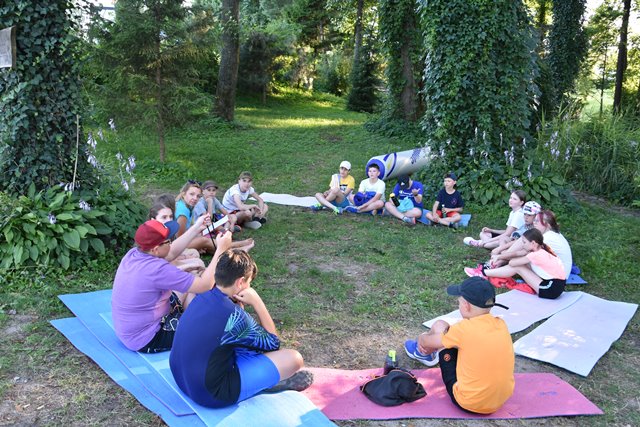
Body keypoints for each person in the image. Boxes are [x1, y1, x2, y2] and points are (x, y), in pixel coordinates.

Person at [170, 249, 313, 408]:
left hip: (181, 379)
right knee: (293, 358)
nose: (249, 287)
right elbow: (273, 344)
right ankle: (263, 384)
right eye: (249, 282)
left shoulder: (200, 296)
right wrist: (257, 302)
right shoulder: (235, 316)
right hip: (210, 394)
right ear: (240, 282)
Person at [111, 216, 233, 353]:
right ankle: (197, 322)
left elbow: (172, 252)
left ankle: (194, 318)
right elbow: (205, 285)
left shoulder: (134, 253)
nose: (171, 243)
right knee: (214, 328)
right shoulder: (157, 270)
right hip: (147, 337)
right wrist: (221, 250)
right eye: (169, 241)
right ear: (155, 249)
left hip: (131, 327)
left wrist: (196, 227)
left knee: (189, 291)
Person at [404, 277, 514, 414]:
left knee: (440, 328)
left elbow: (427, 341)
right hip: (499, 401)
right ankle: (426, 353)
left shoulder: (463, 329)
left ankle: (423, 354)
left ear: (466, 305)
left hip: (468, 402)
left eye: (459, 303)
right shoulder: (501, 324)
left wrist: (421, 338)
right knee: (447, 335)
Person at [466, 229, 567, 299]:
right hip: (555, 284)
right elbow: (518, 253)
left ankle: (483, 273)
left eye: (524, 242)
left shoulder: (536, 255)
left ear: (533, 243)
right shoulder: (539, 249)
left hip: (550, 289)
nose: (523, 245)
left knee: (518, 267)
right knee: (522, 264)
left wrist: (502, 256)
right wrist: (499, 257)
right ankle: (485, 272)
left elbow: (512, 262)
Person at [175, 180, 254, 253]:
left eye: (198, 196)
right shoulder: (183, 213)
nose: (195, 198)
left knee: (206, 243)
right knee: (205, 241)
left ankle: (234, 249)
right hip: (176, 245)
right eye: (191, 194)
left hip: (184, 239)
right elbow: (180, 240)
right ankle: (237, 245)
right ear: (183, 194)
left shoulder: (187, 205)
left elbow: (188, 229)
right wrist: (197, 242)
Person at [149, 201, 205, 275]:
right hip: (162, 269)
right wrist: (185, 260)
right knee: (198, 263)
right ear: (153, 220)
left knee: (194, 252)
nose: (169, 220)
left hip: (166, 261)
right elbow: (164, 262)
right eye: (164, 217)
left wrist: (198, 227)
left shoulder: (166, 230)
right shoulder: (153, 236)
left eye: (171, 216)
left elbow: (169, 253)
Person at [482, 201, 542, 270]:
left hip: (525, 250)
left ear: (536, 216)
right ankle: (503, 257)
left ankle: (496, 262)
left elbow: (520, 242)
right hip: (514, 246)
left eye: (529, 215)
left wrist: (500, 249)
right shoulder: (526, 225)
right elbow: (513, 237)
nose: (526, 217)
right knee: (503, 238)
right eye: (525, 214)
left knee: (499, 246)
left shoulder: (535, 229)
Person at [532, 209, 573, 278]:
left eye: (537, 221)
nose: (534, 223)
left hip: (557, 278)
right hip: (560, 273)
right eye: (534, 220)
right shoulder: (553, 234)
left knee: (521, 265)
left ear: (547, 225)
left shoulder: (548, 237)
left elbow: (528, 253)